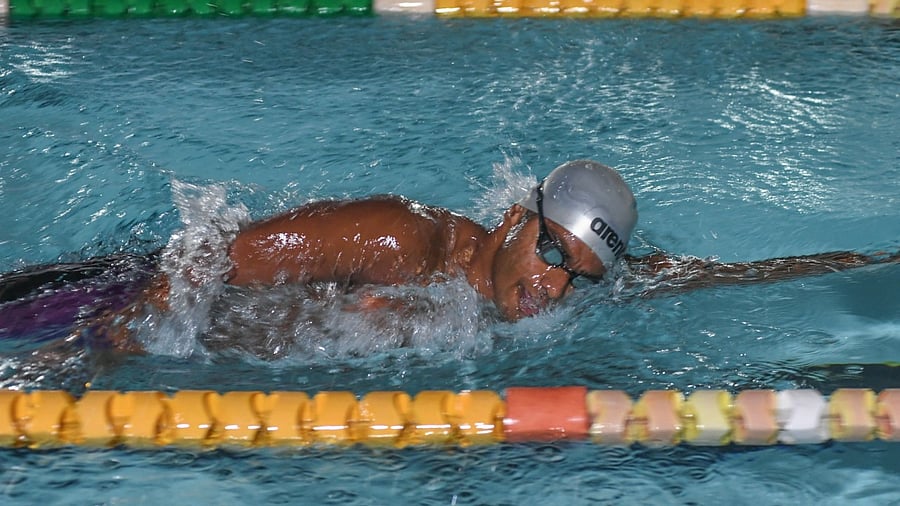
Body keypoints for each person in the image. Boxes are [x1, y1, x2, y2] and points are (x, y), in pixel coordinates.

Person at [1, 160, 896, 349]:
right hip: (92, 303)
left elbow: (705, 278)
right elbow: (206, 254)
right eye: (550, 254)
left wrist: (861, 261)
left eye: (578, 278)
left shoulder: (554, 283)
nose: (552, 289)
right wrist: (107, 344)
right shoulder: (404, 238)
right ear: (513, 218)